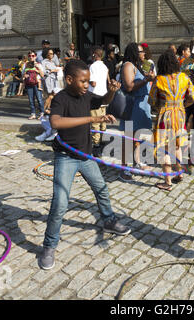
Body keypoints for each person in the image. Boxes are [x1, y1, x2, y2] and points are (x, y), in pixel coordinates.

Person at [38, 59, 131, 270]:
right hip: (66, 156)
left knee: (101, 189)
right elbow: (56, 123)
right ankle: (49, 246)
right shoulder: (60, 99)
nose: (87, 85)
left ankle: (108, 220)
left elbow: (100, 102)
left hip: (86, 156)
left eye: (88, 81)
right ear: (69, 80)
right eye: (83, 81)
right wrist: (90, 120)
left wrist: (112, 91)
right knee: (60, 203)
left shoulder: (85, 95)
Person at [149, 50, 194, 191]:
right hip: (180, 115)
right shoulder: (184, 77)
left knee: (164, 149)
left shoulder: (159, 80)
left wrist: (162, 104)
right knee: (176, 145)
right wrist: (183, 105)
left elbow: (152, 100)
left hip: (165, 116)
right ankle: (179, 173)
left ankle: (168, 182)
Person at [118, 42, 155, 182]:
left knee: (137, 137)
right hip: (132, 106)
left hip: (140, 105)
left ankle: (137, 162)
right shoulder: (128, 65)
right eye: (140, 51)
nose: (143, 54)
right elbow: (128, 86)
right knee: (128, 138)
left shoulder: (137, 65)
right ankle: (124, 169)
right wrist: (146, 79)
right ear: (134, 52)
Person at [88, 47, 110, 153]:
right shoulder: (105, 66)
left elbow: (93, 83)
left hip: (95, 96)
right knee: (103, 121)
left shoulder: (92, 66)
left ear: (95, 54)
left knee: (95, 122)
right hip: (104, 95)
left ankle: (96, 145)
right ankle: (103, 141)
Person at [22, 51, 45, 120]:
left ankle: (42, 113)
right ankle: (33, 113)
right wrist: (24, 76)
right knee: (31, 100)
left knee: (39, 99)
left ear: (35, 56)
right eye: (29, 56)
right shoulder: (25, 64)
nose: (31, 57)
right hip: (29, 83)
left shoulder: (38, 64)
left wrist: (38, 69)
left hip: (37, 83)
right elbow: (23, 74)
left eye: (33, 55)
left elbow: (42, 75)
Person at [42, 48, 62, 116]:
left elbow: (55, 70)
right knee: (50, 96)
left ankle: (47, 110)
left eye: (52, 54)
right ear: (46, 54)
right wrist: (52, 70)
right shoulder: (44, 62)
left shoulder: (52, 62)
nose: (51, 55)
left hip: (54, 80)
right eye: (50, 53)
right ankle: (43, 110)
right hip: (48, 80)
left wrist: (58, 69)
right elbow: (44, 72)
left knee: (51, 96)